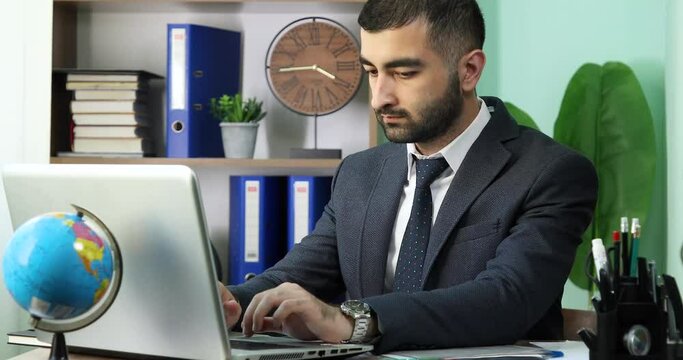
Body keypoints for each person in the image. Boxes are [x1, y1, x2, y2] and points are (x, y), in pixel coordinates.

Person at [220, 0, 598, 353]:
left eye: (403, 73)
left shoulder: (550, 173)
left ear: (469, 70)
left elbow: (507, 298)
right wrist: (230, 302)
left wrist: (350, 320)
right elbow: (299, 275)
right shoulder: (359, 173)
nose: (379, 98)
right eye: (371, 71)